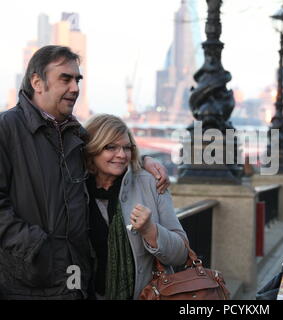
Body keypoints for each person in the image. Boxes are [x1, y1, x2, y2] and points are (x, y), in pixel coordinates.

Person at [0, 45, 169, 299]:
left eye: (77, 79)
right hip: (27, 282)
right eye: (65, 79)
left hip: (74, 280)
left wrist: (141, 160)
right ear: (37, 82)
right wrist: (37, 246)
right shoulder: (6, 129)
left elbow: (107, 155)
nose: (75, 88)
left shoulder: (75, 135)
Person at [84, 114, 188, 300]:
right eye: (111, 147)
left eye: (126, 147)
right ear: (92, 149)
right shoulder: (75, 189)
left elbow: (181, 254)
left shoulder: (150, 183)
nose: (122, 155)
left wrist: (150, 231)